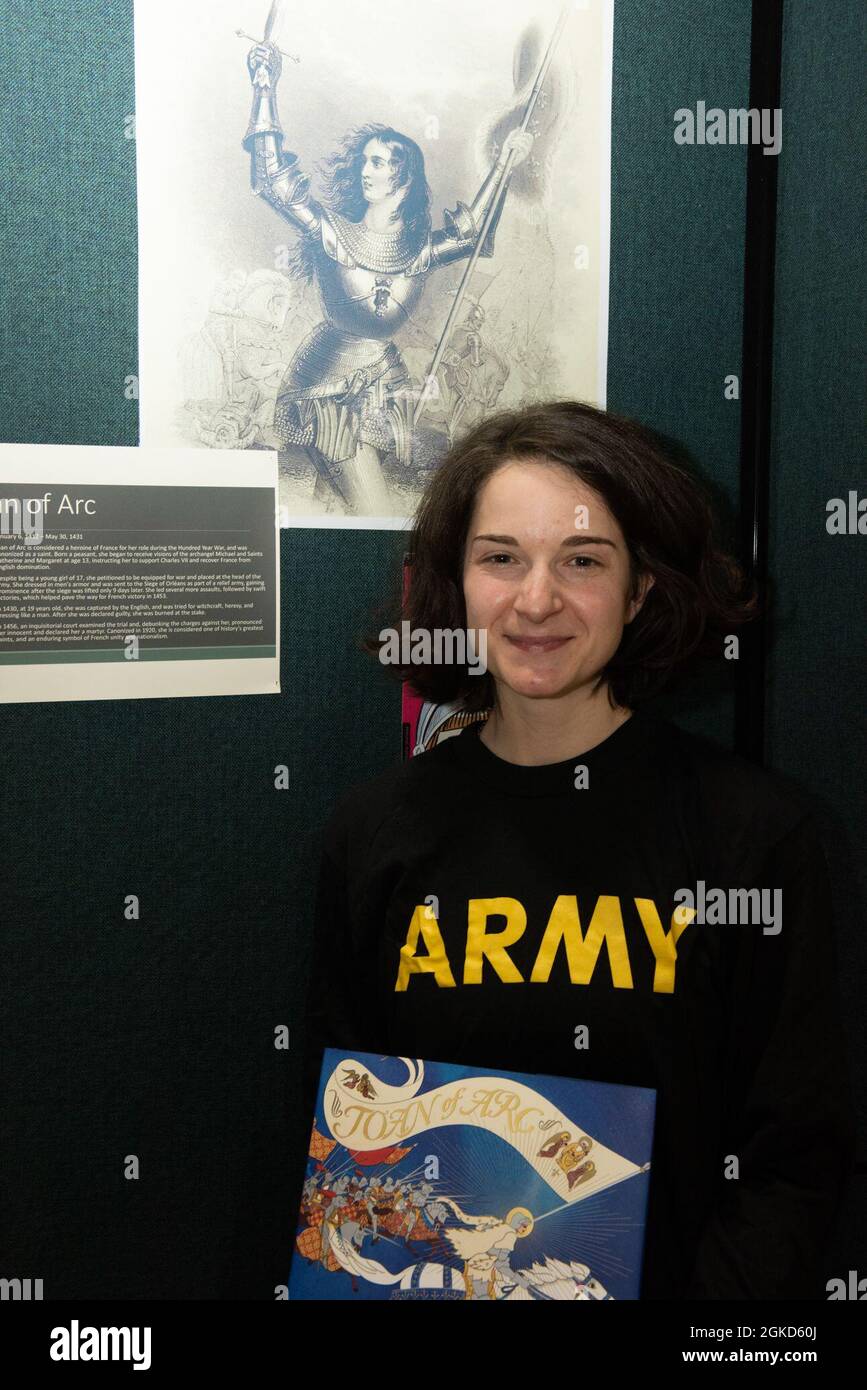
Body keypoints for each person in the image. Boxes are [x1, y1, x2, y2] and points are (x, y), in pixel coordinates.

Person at [297, 398, 855, 1299]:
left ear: (640, 590)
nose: (536, 599)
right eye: (500, 558)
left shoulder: (750, 831)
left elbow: (794, 1156)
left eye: (583, 560)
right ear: (456, 581)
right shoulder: (374, 831)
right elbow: (343, 1123)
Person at [243, 41, 533, 515]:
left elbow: (471, 237)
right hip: (327, 383)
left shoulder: (417, 250)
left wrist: (504, 165)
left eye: (377, 162)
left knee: (339, 502)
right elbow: (272, 183)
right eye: (364, 161)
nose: (365, 171)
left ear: (405, 175)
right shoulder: (334, 232)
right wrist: (264, 87)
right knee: (369, 500)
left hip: (384, 380)